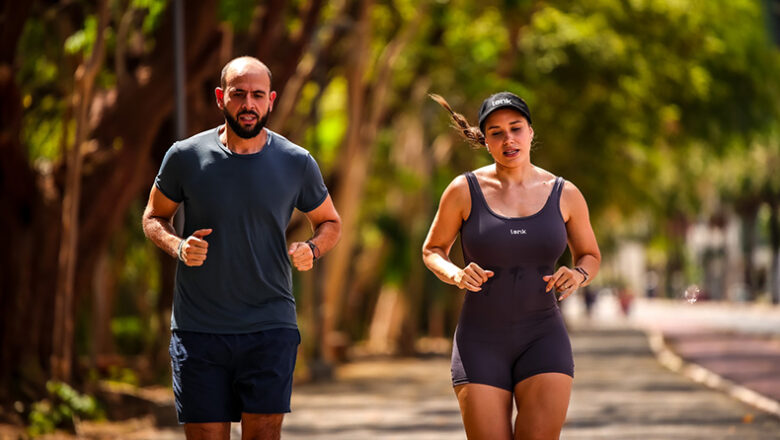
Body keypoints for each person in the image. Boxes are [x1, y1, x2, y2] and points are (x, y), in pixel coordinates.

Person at [142, 56, 341, 440]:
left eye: (257, 95)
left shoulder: (296, 162)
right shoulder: (185, 156)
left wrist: (312, 250)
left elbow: (330, 221)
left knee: (264, 433)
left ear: (271, 101)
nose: (248, 103)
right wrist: (179, 246)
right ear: (221, 97)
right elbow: (153, 217)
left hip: (270, 326)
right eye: (238, 94)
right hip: (199, 329)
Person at [422, 92, 601, 440]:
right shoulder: (463, 189)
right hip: (480, 340)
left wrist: (578, 274)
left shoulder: (565, 193)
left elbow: (590, 255)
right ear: (485, 141)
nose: (509, 139)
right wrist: (457, 274)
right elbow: (432, 250)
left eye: (516, 128)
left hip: (543, 337)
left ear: (531, 132)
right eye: (496, 132)